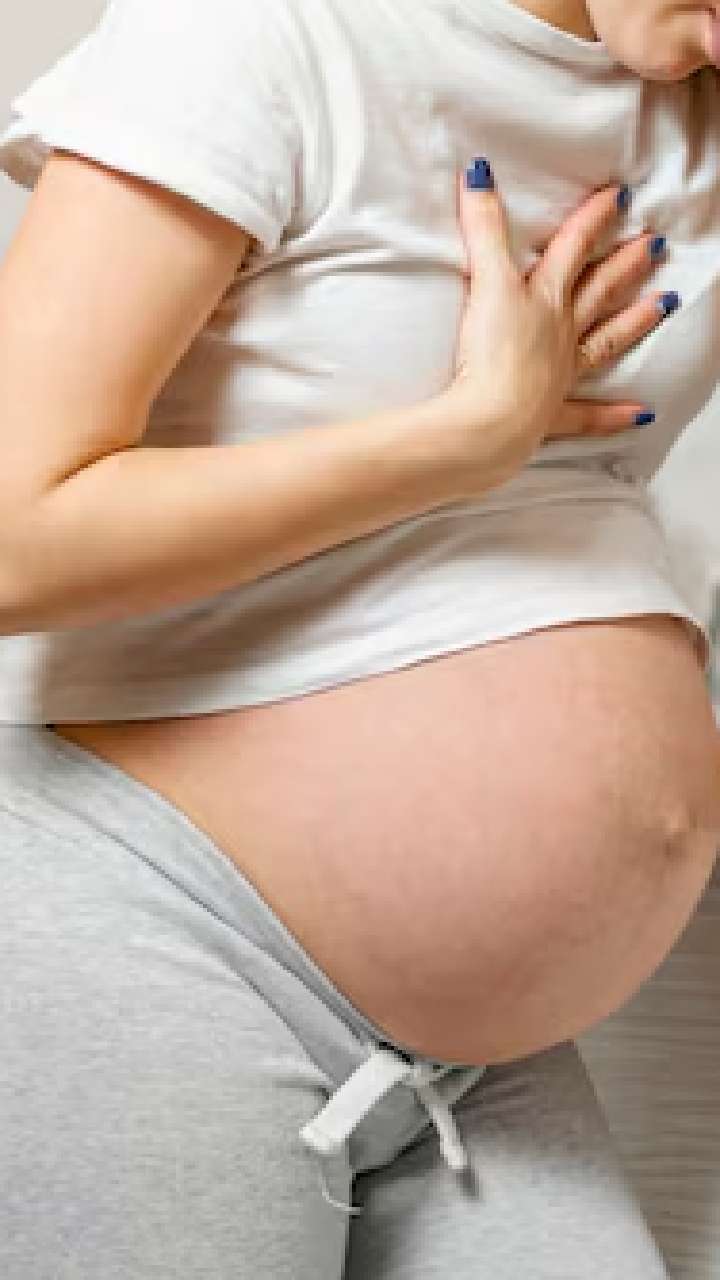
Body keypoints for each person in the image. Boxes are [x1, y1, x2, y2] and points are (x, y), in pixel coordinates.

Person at [1, 0, 719, 1274]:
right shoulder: (262, 35)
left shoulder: (689, 96)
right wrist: (464, 440)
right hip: (158, 934)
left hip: (469, 1055)